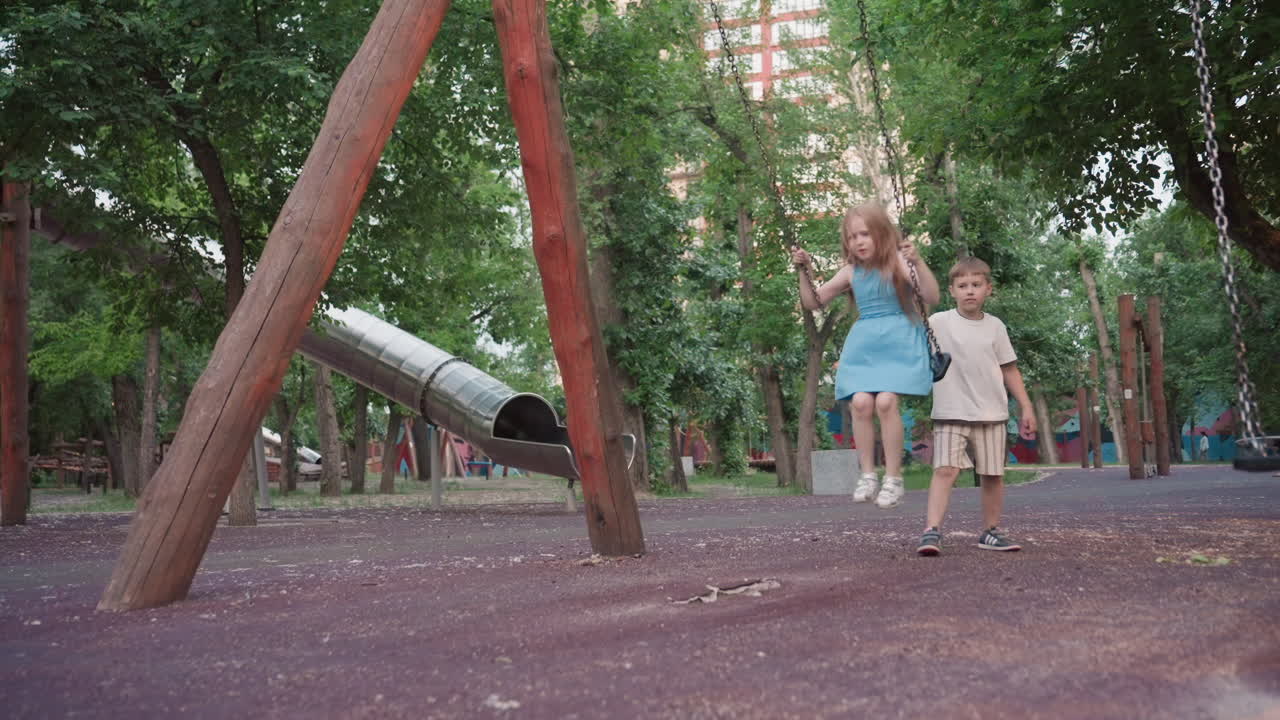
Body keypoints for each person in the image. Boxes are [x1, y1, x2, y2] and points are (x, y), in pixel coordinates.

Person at [792, 202, 940, 508]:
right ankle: (868, 474)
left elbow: (932, 297)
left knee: (885, 402)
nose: (858, 241)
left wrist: (919, 262)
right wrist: (802, 270)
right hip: (866, 343)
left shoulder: (899, 262)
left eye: (865, 234)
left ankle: (894, 479)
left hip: (899, 339)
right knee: (860, 402)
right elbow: (813, 302)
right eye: (852, 236)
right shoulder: (851, 272)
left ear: (882, 235)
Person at [917, 257, 1035, 555]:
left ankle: (991, 531)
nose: (970, 291)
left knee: (992, 473)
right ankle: (931, 531)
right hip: (950, 412)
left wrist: (1026, 406)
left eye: (976, 285)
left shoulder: (995, 327)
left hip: (991, 413)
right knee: (945, 469)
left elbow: (1009, 369)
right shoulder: (938, 322)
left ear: (988, 289)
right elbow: (912, 337)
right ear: (951, 290)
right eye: (962, 285)